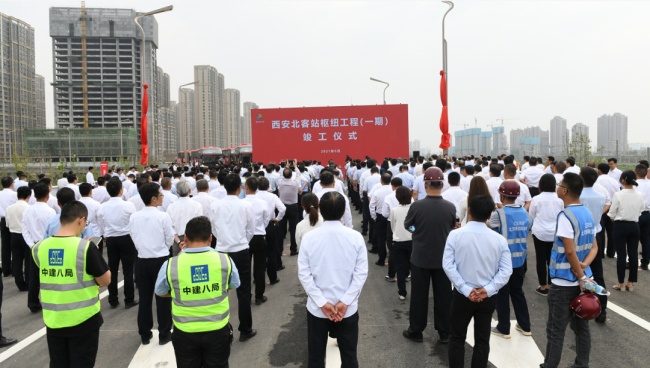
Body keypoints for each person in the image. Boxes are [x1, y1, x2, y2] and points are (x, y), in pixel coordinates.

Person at [32, 201, 110, 366]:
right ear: (81, 220)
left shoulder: (39, 248)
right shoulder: (85, 247)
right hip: (83, 319)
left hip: (54, 319)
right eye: (86, 222)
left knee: (58, 363)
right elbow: (105, 280)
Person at [154, 216, 239, 368]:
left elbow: (160, 291)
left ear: (185, 238)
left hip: (185, 332)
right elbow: (234, 283)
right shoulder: (224, 260)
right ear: (211, 238)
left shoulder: (171, 264)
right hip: (217, 329)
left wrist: (176, 293)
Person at [298, 191, 368, 368]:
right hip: (347, 309)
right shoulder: (355, 237)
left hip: (318, 309)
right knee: (349, 356)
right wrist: (345, 301)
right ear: (344, 210)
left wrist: (322, 302)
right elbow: (361, 273)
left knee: (315, 358)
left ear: (321, 209)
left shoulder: (309, 238)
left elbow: (304, 274)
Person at [443, 195, 512, 368]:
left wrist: (466, 289)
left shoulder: (455, 235)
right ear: (490, 215)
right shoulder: (499, 240)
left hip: (461, 295)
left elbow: (448, 265)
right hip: (487, 297)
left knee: (457, 338)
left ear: (470, 211)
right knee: (482, 340)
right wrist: (487, 289)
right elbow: (506, 271)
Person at [541, 172, 599, 368]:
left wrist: (580, 274)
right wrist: (584, 268)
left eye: (559, 185)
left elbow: (569, 250)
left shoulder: (566, 215)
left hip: (564, 282)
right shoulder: (587, 213)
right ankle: (582, 364)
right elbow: (594, 247)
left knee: (555, 329)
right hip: (585, 281)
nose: (557, 187)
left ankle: (549, 365)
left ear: (564, 190)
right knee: (582, 328)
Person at [403, 167, 456, 344]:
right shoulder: (450, 207)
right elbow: (450, 226)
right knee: (444, 297)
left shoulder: (416, 206)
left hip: (420, 257)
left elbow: (408, 226)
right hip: (443, 259)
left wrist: (416, 231)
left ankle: (416, 330)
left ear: (426, 185)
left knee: (419, 296)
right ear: (441, 184)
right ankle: (444, 332)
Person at [208, 174, 256, 342]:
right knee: (244, 292)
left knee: (220, 291)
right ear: (239, 188)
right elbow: (251, 229)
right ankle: (245, 329)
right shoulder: (246, 205)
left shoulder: (215, 206)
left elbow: (213, 229)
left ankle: (222, 328)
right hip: (241, 250)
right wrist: (242, 241)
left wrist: (223, 240)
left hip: (221, 251)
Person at [129, 183, 176, 345]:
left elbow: (133, 237)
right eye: (161, 195)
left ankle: (145, 333)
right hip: (160, 260)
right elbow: (169, 239)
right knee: (163, 298)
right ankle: (164, 333)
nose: (162, 197)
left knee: (144, 298)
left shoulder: (134, 216)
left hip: (142, 260)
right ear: (154, 198)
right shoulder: (163, 216)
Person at [489, 180, 532, 338]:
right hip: (520, 260)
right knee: (517, 292)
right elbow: (528, 226)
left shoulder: (498, 214)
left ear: (501, 195)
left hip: (503, 262)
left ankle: (503, 327)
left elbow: (489, 226)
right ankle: (525, 326)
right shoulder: (525, 213)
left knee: (502, 293)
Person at [97, 178, 138, 309]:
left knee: (112, 269)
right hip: (126, 238)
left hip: (111, 239)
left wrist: (105, 235)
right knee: (128, 270)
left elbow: (101, 225)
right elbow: (133, 223)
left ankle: (113, 299)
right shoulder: (128, 205)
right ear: (121, 190)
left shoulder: (102, 207)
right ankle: (129, 299)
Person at [579, 167, 609, 323]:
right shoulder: (600, 196)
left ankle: (579, 306)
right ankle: (602, 309)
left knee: (577, 269)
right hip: (596, 234)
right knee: (598, 272)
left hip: (579, 235)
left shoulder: (577, 196)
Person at [22, 183, 56, 313]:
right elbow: (52, 231)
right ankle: (51, 300)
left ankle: (33, 303)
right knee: (51, 275)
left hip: (34, 246)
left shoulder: (28, 210)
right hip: (48, 246)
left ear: (34, 195)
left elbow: (24, 230)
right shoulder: (50, 211)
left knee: (33, 277)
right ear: (48, 196)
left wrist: (32, 245)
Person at [607, 170, 644, 291]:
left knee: (621, 255)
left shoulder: (618, 194)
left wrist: (615, 219)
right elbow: (641, 210)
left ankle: (621, 283)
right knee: (633, 254)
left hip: (620, 225)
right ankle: (631, 283)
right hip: (634, 225)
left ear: (623, 180)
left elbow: (611, 213)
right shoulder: (639, 195)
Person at [529, 174, 564, 296]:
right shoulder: (560, 200)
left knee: (540, 259)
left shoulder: (536, 199)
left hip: (540, 232)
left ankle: (543, 286)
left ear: (541, 185)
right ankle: (551, 283)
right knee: (552, 259)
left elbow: (532, 215)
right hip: (555, 232)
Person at [242, 177, 272, 305]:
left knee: (245, 268)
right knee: (260, 268)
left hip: (244, 238)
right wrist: (260, 228)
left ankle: (246, 295)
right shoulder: (262, 203)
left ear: (247, 187)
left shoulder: (242, 203)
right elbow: (267, 219)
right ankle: (259, 296)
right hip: (259, 237)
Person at [256, 177, 285, 284]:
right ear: (268, 186)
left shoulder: (253, 197)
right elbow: (282, 209)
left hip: (257, 227)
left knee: (259, 255)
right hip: (270, 225)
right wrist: (277, 219)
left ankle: (258, 277)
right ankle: (273, 277)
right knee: (271, 252)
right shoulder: (272, 196)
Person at [390, 186, 413, 301]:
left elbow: (392, 226)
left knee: (400, 268)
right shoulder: (414, 208)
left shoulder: (394, 210)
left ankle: (402, 292)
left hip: (398, 241)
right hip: (412, 240)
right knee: (414, 267)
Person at [6, 186, 31, 290]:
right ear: (28, 196)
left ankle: (20, 284)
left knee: (17, 260)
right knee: (28, 261)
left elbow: (7, 224)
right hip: (25, 236)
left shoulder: (9, 208)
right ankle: (28, 283)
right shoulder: (29, 208)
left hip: (14, 235)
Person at [277, 168, 301, 256]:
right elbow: (298, 175)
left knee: (281, 230)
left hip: (282, 207)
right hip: (293, 207)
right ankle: (293, 249)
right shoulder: (295, 183)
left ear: (283, 175)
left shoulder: (280, 182)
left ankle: (279, 250)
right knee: (293, 229)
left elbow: (280, 174)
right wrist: (295, 166)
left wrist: (285, 166)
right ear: (291, 175)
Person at [0, 177, 17, 277]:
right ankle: (15, 270)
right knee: (14, 245)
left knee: (5, 245)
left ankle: (6, 270)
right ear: (12, 184)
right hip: (12, 219)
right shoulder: (14, 195)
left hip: (2, 220)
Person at [635, 164, 650, 271]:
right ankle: (645, 261)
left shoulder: (634, 185)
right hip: (648, 213)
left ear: (636, 172)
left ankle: (632, 261)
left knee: (633, 239)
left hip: (636, 213)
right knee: (646, 239)